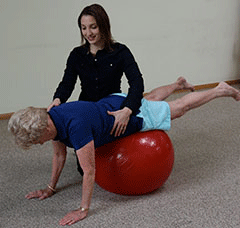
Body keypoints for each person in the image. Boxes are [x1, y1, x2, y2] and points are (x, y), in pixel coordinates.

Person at [8, 77, 240, 226]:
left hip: (127, 116)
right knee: (148, 101)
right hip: (113, 102)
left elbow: (89, 172)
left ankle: (220, 90)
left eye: (37, 140)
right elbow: (59, 155)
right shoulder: (52, 115)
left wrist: (82, 209)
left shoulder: (74, 128)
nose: (39, 144)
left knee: (178, 109)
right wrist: (50, 189)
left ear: (45, 126)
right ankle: (176, 84)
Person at [47, 3, 144, 137]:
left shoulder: (121, 51)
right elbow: (67, 83)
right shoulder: (76, 55)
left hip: (111, 108)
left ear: (104, 26)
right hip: (86, 108)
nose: (88, 33)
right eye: (84, 28)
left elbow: (137, 83)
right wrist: (58, 99)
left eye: (93, 27)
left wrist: (127, 110)